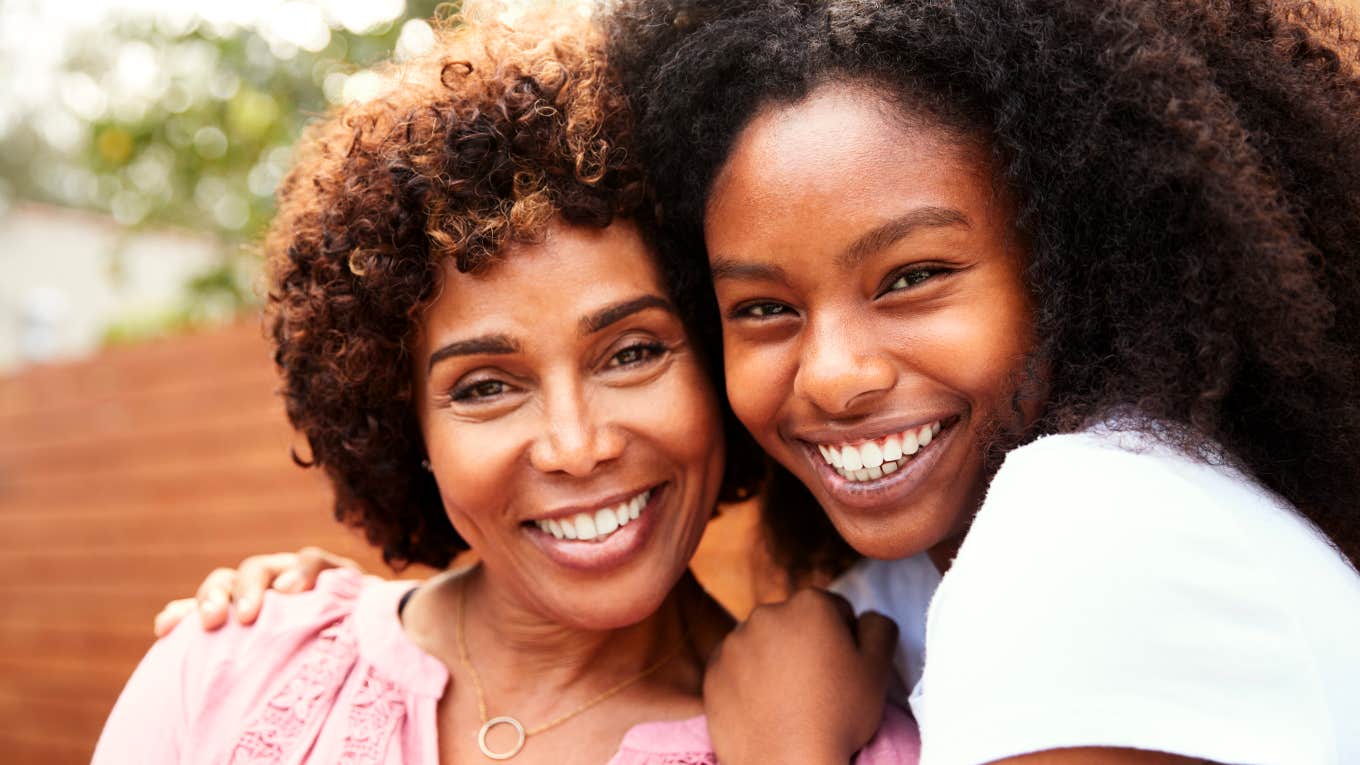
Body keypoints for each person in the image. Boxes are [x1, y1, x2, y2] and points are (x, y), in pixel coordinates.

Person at [161, 0, 1360, 763]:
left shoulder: (1089, 521)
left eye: (912, 276)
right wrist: (302, 626)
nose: (831, 374)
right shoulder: (888, 602)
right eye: (764, 310)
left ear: (1072, 258)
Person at [94, 7, 918, 763]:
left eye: (631, 353)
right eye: (485, 386)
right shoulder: (228, 669)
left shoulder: (838, 739)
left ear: (719, 360)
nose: (577, 444)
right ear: (404, 423)